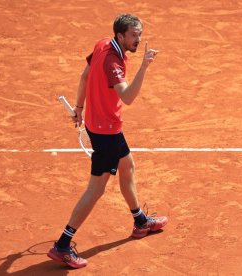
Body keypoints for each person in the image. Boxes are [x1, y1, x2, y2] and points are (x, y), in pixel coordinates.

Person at [47, 14, 168, 269]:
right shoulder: (114, 61)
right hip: (106, 132)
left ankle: (140, 221)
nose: (139, 39)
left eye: (140, 34)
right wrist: (144, 67)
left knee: (128, 168)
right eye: (134, 35)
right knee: (96, 189)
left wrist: (80, 106)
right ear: (120, 36)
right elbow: (128, 97)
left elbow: (84, 76)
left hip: (100, 123)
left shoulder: (103, 43)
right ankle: (62, 245)